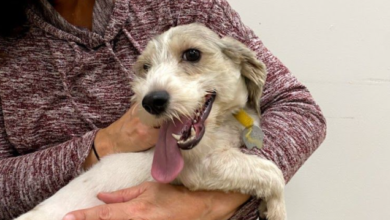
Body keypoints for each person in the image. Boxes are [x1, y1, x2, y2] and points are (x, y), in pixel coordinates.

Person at [0, 0, 327, 219]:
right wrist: (105, 143)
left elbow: (298, 109)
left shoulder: (184, 5)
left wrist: (204, 205)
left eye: (192, 56)